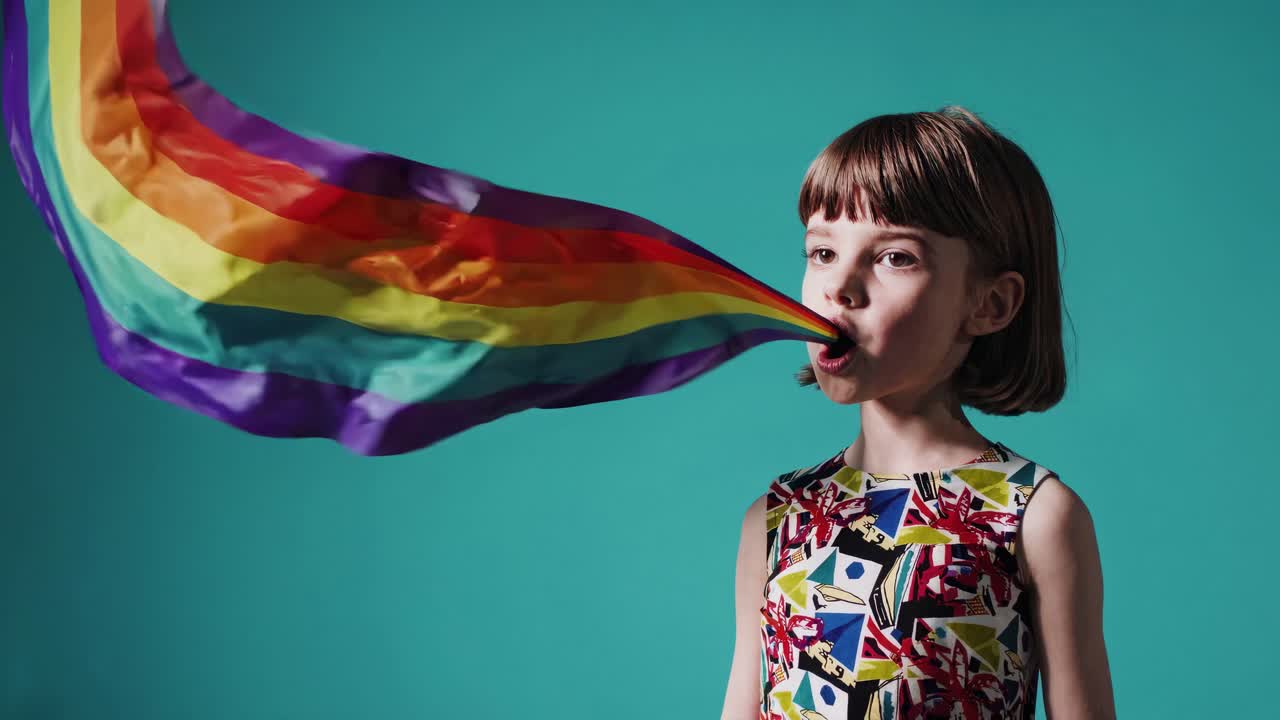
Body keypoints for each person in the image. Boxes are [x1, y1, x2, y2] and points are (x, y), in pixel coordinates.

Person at [719, 107, 1115, 720]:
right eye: (821, 252)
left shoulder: (1035, 516)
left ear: (990, 304)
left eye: (895, 257)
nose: (840, 286)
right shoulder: (774, 519)